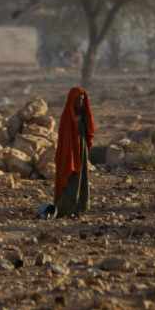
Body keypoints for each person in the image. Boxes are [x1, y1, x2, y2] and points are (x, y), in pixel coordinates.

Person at [54, 87, 95, 218]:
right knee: (71, 179)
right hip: (70, 154)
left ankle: (80, 207)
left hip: (81, 151)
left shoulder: (83, 116)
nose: (81, 102)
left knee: (82, 178)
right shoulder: (67, 117)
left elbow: (89, 131)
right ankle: (65, 209)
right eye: (78, 100)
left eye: (83, 100)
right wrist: (70, 156)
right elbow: (65, 140)